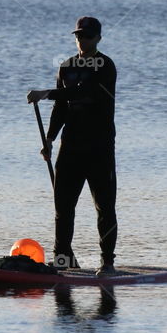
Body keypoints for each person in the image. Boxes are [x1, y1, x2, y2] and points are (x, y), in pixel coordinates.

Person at [26, 16, 118, 277]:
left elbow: (83, 93)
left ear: (98, 38)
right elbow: (61, 107)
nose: (82, 40)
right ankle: (64, 259)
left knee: (105, 207)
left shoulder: (105, 67)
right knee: (63, 206)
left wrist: (45, 93)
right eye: (78, 35)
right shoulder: (66, 67)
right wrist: (50, 140)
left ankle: (107, 263)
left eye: (87, 36)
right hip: (71, 147)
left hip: (99, 148)